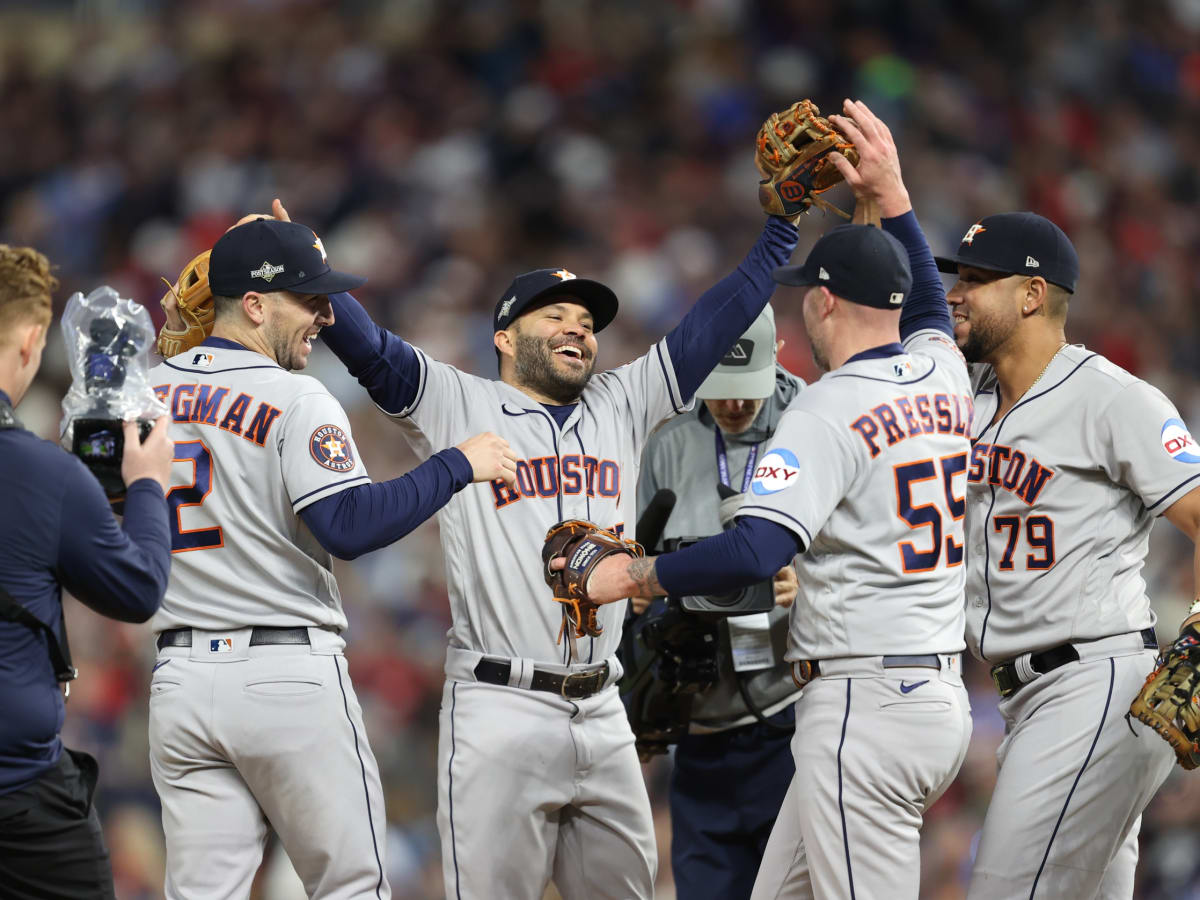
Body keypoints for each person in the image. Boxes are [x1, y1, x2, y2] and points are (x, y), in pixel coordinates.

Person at [316, 192, 800, 897]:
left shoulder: (623, 399)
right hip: (499, 701)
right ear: (506, 337)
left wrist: (781, 231)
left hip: (604, 707)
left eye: (587, 320)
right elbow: (369, 350)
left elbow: (712, 323)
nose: (578, 328)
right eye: (556, 315)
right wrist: (305, 266)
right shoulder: (460, 402)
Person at [578, 99, 973, 899]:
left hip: (864, 702)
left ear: (822, 304)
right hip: (925, 690)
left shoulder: (825, 408)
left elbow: (759, 550)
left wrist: (643, 575)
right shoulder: (944, 370)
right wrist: (893, 196)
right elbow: (928, 300)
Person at [147, 217, 518, 899]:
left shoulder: (146, 391)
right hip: (284, 676)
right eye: (309, 300)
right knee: (353, 885)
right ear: (254, 305)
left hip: (180, 682)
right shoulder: (295, 394)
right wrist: (456, 464)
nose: (325, 316)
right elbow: (346, 525)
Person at [935, 205, 1200, 896]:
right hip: (1031, 699)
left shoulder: (1114, 399)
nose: (955, 294)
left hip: (1097, 687)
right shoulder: (969, 398)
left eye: (975, 279)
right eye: (956, 278)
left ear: (1032, 295)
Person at [0, 244, 173, 898]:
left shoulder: (47, 475)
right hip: (19, 802)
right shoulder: (47, 475)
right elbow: (136, 590)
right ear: (32, 341)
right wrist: (147, 486)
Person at [634, 303, 803, 900]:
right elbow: (635, 569)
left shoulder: (818, 422)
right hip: (700, 715)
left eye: (746, 388)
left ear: (779, 355)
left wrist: (808, 577)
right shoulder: (668, 446)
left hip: (796, 712)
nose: (733, 404)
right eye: (719, 389)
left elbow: (869, 543)